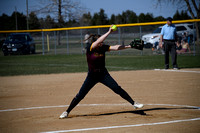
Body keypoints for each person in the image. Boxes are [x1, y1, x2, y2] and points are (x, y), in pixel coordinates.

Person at [59, 25, 144, 119]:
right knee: (81, 95)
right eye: (100, 42)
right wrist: (109, 32)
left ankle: (134, 103)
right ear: (95, 42)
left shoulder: (103, 47)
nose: (102, 43)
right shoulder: (90, 48)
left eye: (102, 42)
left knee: (117, 88)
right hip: (92, 76)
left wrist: (129, 46)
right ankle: (67, 112)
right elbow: (98, 42)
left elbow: (116, 47)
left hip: (103, 74)